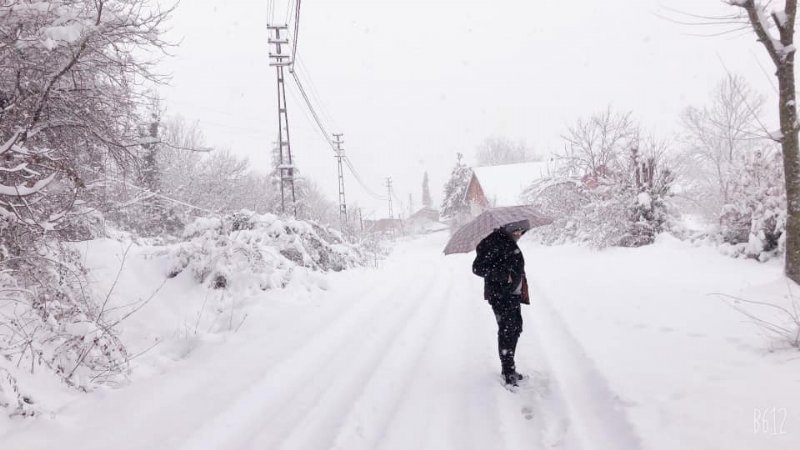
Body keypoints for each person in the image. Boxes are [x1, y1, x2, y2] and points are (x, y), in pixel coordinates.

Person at [471, 219, 531, 386]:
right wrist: (504, 275)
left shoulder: (507, 240)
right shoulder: (492, 242)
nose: (519, 234)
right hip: (500, 295)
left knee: (515, 328)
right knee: (507, 330)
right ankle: (508, 371)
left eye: (521, 231)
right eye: (516, 230)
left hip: (513, 294)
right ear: (508, 227)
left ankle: (509, 368)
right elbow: (477, 268)